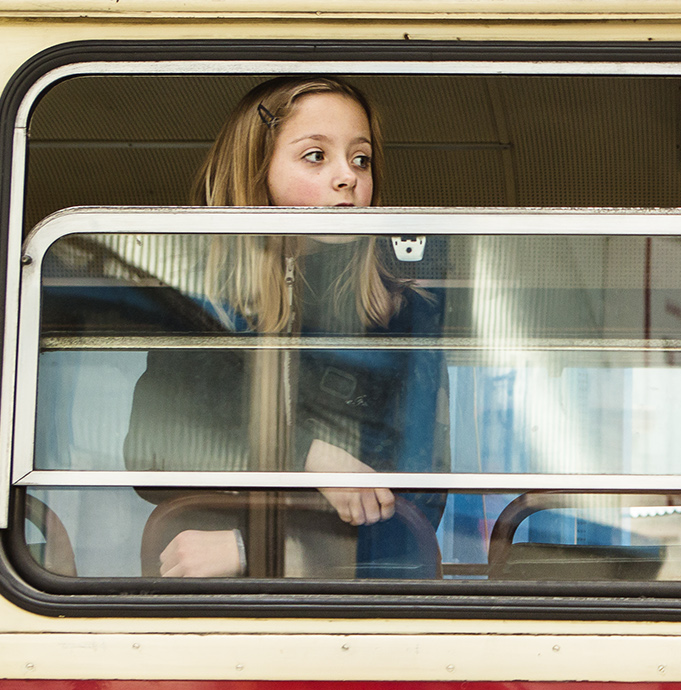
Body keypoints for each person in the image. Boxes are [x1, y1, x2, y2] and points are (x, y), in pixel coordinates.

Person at [123, 76, 446, 578]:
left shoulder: (405, 312)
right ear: (257, 170)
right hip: (208, 606)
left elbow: (417, 497)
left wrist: (261, 550)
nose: (349, 178)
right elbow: (152, 455)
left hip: (363, 601)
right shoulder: (199, 301)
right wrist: (310, 457)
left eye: (361, 159)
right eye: (316, 156)